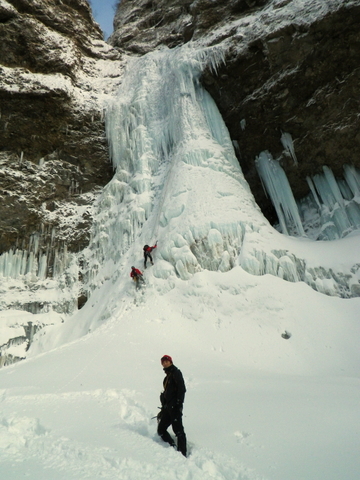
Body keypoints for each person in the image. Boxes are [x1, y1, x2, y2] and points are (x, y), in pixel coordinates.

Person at [157, 354, 187, 457]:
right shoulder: (167, 377)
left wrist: (179, 404)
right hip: (168, 408)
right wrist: (164, 406)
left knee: (179, 431)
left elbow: (182, 389)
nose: (165, 363)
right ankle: (173, 447)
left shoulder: (176, 373)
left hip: (175, 408)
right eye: (163, 362)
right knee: (161, 430)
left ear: (171, 362)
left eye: (166, 361)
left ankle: (183, 454)